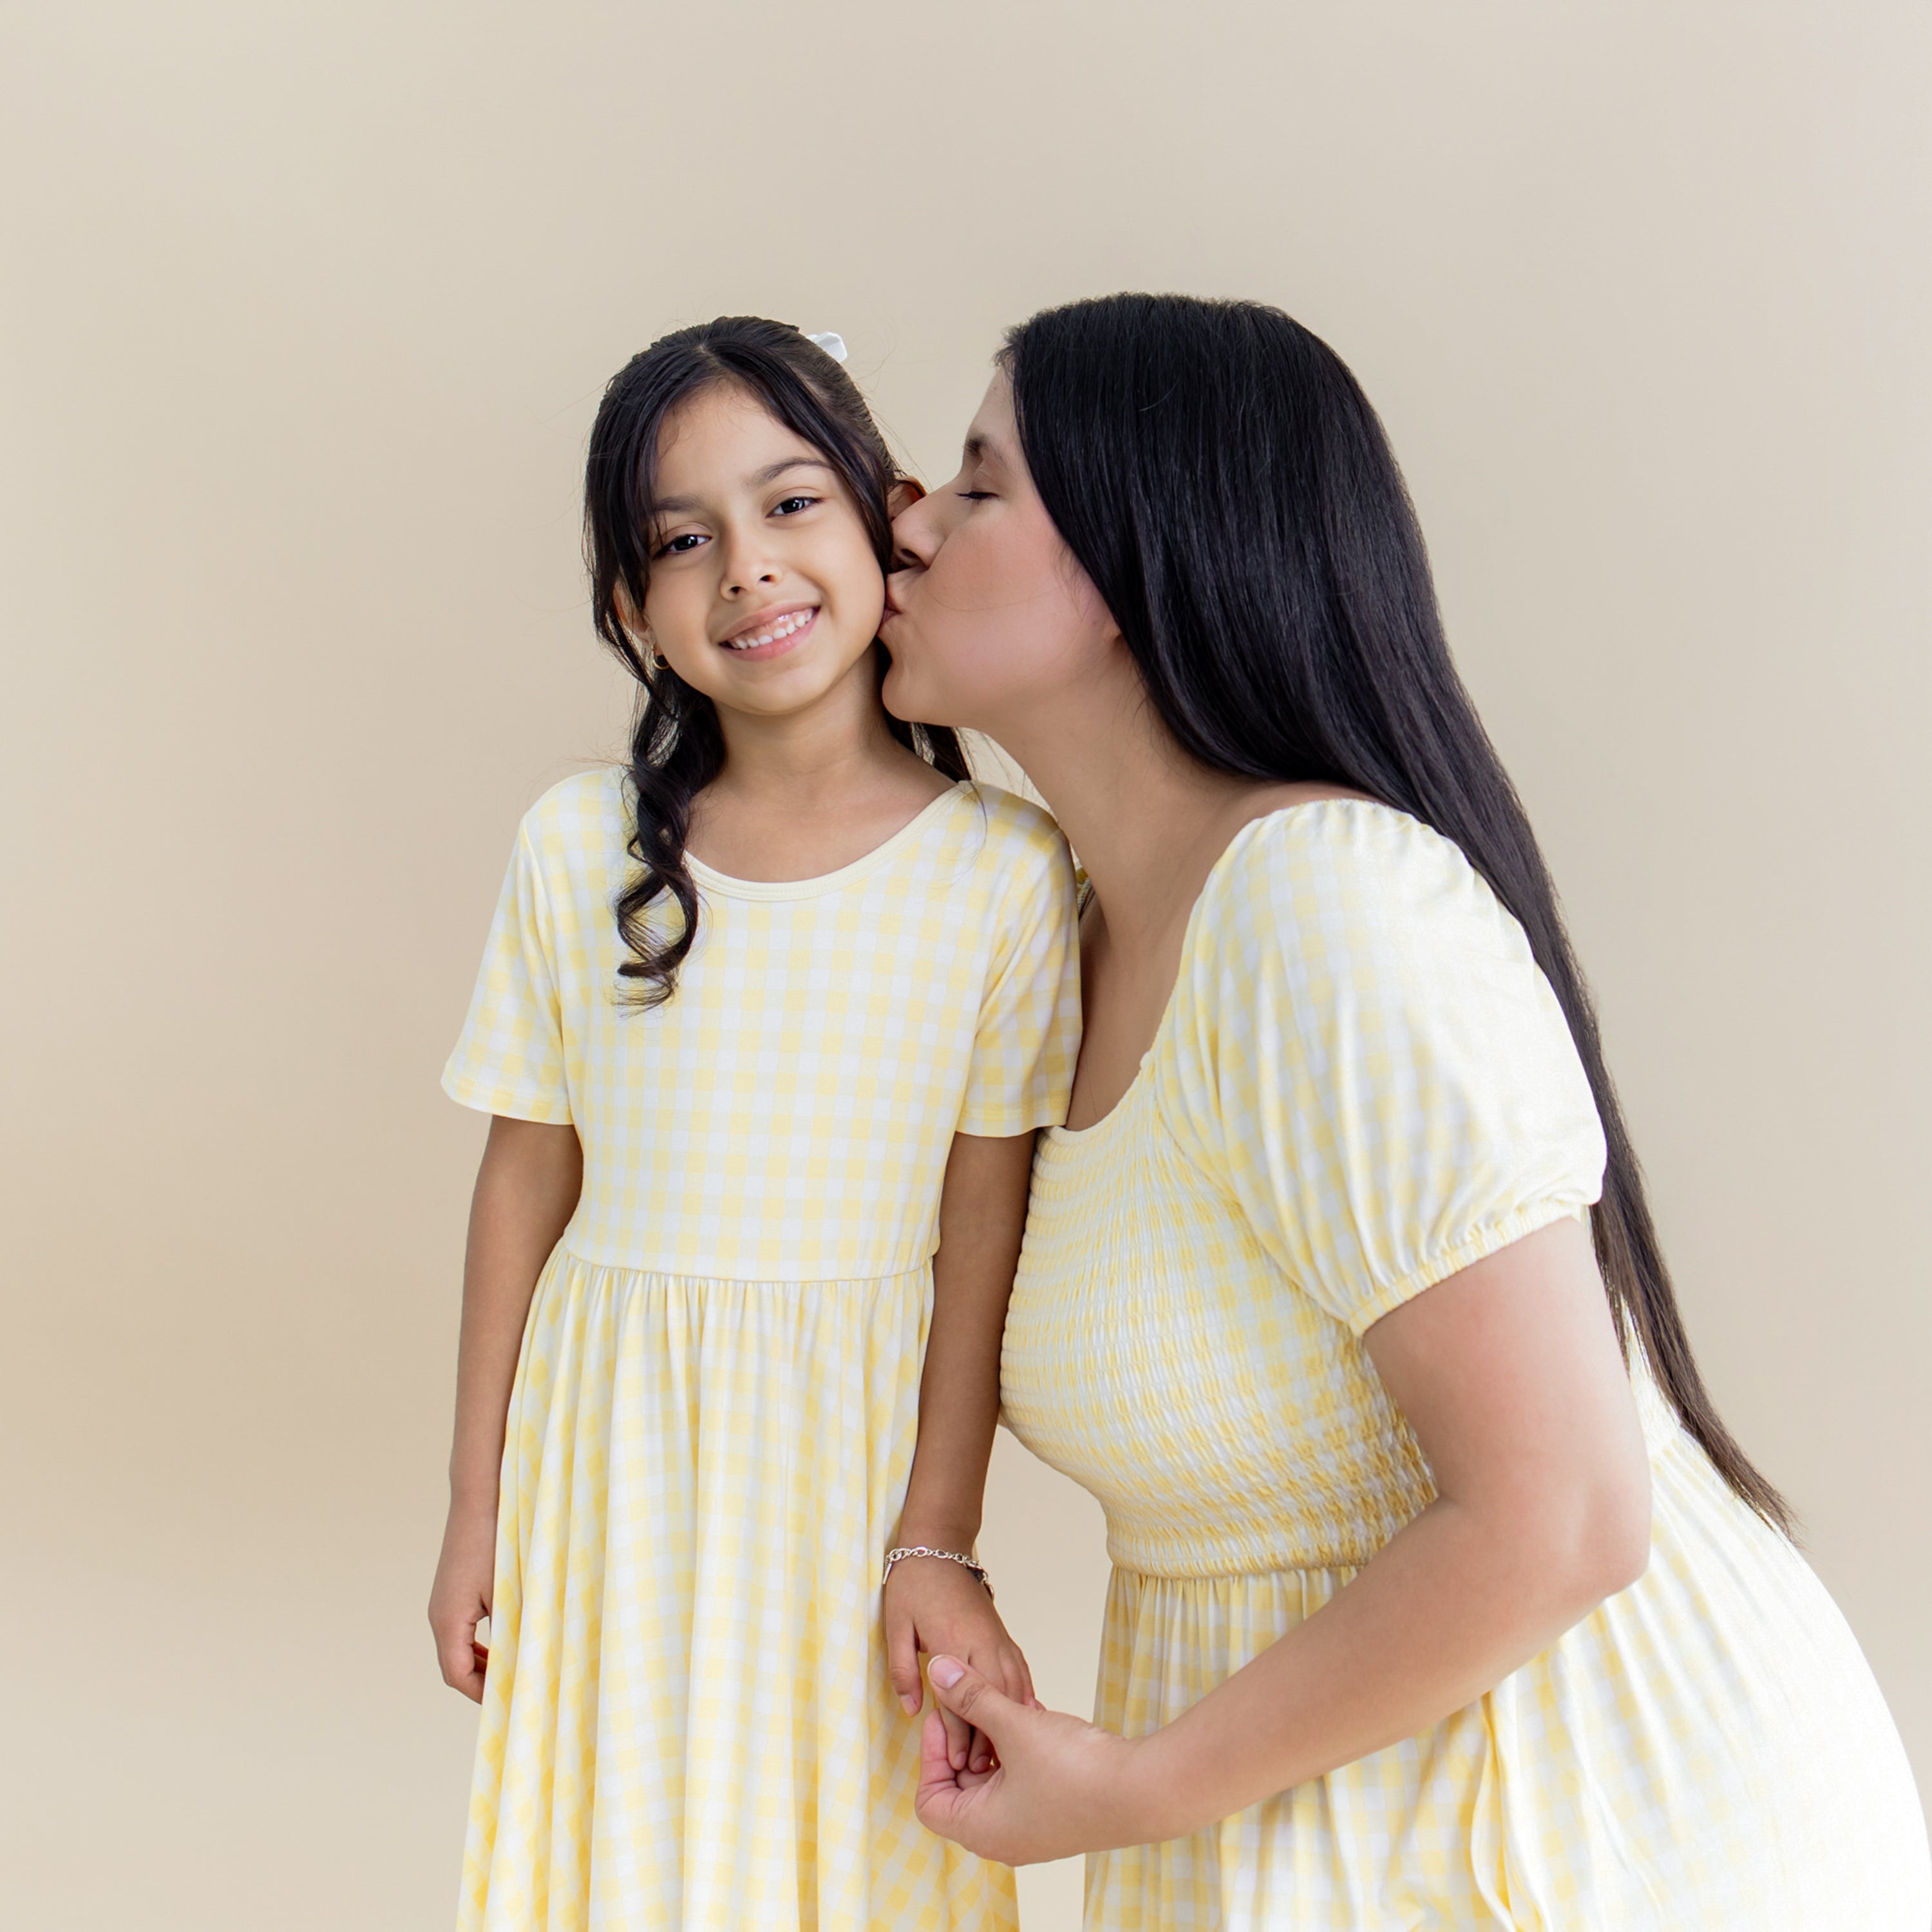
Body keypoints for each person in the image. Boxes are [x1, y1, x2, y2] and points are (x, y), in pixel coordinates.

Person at [882, 292, 1931, 1928]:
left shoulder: (1322, 910)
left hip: (1596, 1827)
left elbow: (1566, 1512)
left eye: (977, 482)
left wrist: (1139, 1790)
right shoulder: (1062, 947)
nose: (909, 522)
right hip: (1301, 1823)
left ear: (1134, 562)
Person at [427, 317, 1080, 1930]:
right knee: (625, 1844)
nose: (748, 572)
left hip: (847, 1462)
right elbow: (523, 1184)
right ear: (630, 605)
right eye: (682, 540)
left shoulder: (1002, 873)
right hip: (612, 1450)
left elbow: (981, 1235)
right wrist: (473, 1509)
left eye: (792, 507)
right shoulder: (577, 846)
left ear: (885, 520)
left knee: (842, 1848)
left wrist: (939, 1534)